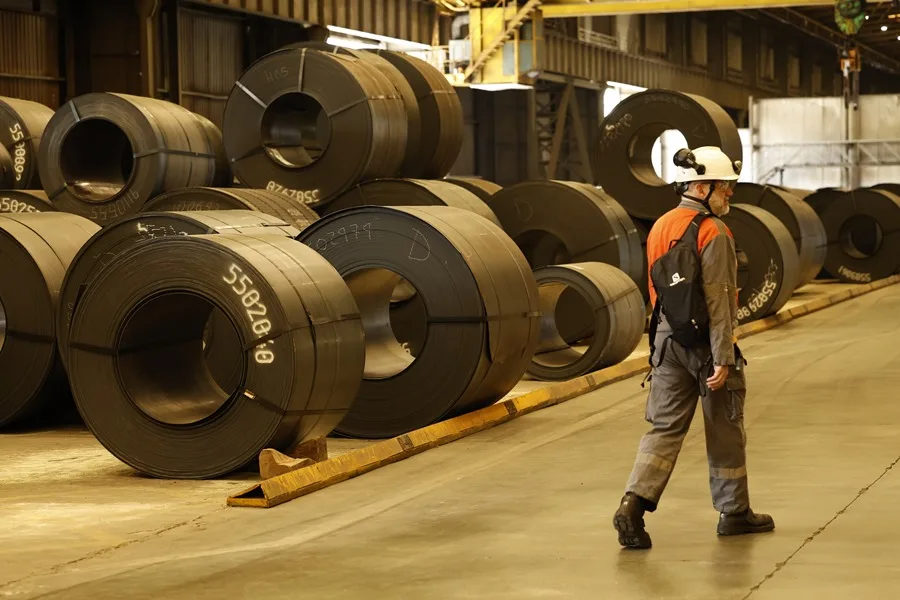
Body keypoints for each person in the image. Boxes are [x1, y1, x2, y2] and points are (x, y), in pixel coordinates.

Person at [612, 146, 774, 550]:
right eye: (724, 187)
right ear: (701, 187)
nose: (729, 195)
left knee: (663, 428)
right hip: (707, 347)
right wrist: (722, 356)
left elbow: (657, 289)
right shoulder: (713, 230)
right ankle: (734, 512)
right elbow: (720, 298)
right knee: (724, 427)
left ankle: (633, 504)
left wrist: (660, 342)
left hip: (668, 343)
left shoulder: (661, 225)